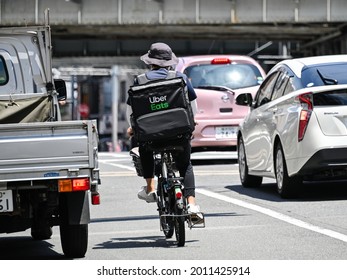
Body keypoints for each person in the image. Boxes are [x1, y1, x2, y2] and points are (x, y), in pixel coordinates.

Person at [126, 42, 200, 214]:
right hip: (179, 133)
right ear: (169, 62)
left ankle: (150, 187)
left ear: (150, 62)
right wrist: (192, 120)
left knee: (145, 148)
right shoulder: (180, 78)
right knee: (185, 165)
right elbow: (193, 104)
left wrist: (132, 128)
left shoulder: (140, 80)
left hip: (151, 136)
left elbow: (131, 109)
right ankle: (192, 204)